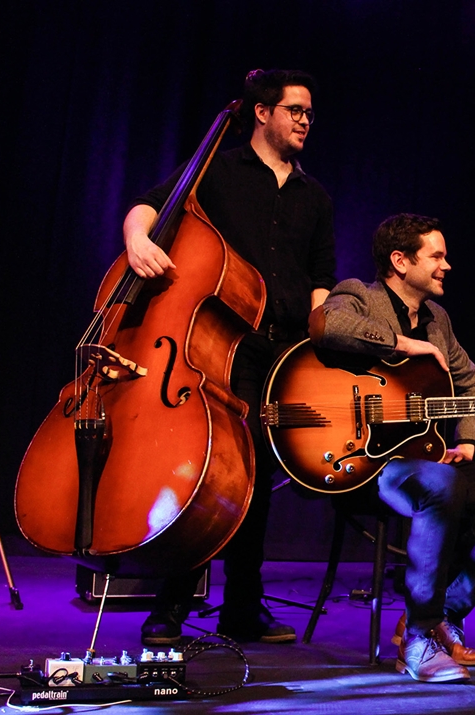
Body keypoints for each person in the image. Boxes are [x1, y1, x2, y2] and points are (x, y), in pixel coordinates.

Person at [123, 68, 336, 646]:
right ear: (262, 112)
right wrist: (138, 240)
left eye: (310, 114)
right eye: (296, 109)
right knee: (204, 471)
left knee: (256, 479)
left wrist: (318, 340)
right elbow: (149, 206)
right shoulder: (217, 168)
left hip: (279, 348)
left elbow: (320, 278)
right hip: (218, 344)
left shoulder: (315, 196)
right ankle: (170, 606)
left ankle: (243, 605)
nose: (305, 121)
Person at [310, 213, 475, 683]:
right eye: (436, 256)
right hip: (360, 463)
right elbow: (326, 323)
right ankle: (416, 640)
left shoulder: (438, 319)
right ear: (401, 261)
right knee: (440, 484)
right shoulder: (359, 294)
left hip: (426, 459)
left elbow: (473, 382)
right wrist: (403, 344)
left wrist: (468, 439)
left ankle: (442, 616)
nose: (447, 265)